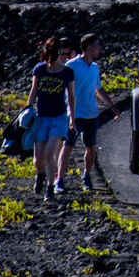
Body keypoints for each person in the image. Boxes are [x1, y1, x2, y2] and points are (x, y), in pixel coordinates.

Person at [56, 32, 114, 193]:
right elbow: (62, 88)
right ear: (89, 48)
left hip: (91, 114)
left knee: (91, 147)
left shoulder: (94, 67)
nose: (100, 49)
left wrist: (111, 106)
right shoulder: (72, 66)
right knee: (67, 147)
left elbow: (98, 89)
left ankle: (87, 176)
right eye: (97, 46)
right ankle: (59, 179)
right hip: (74, 114)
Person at [27, 36, 75, 202]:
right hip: (41, 118)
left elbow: (71, 96)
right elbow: (34, 91)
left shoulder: (67, 72)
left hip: (59, 118)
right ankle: (40, 175)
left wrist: (72, 118)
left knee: (50, 153)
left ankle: (50, 188)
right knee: (38, 159)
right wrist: (28, 111)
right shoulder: (39, 69)